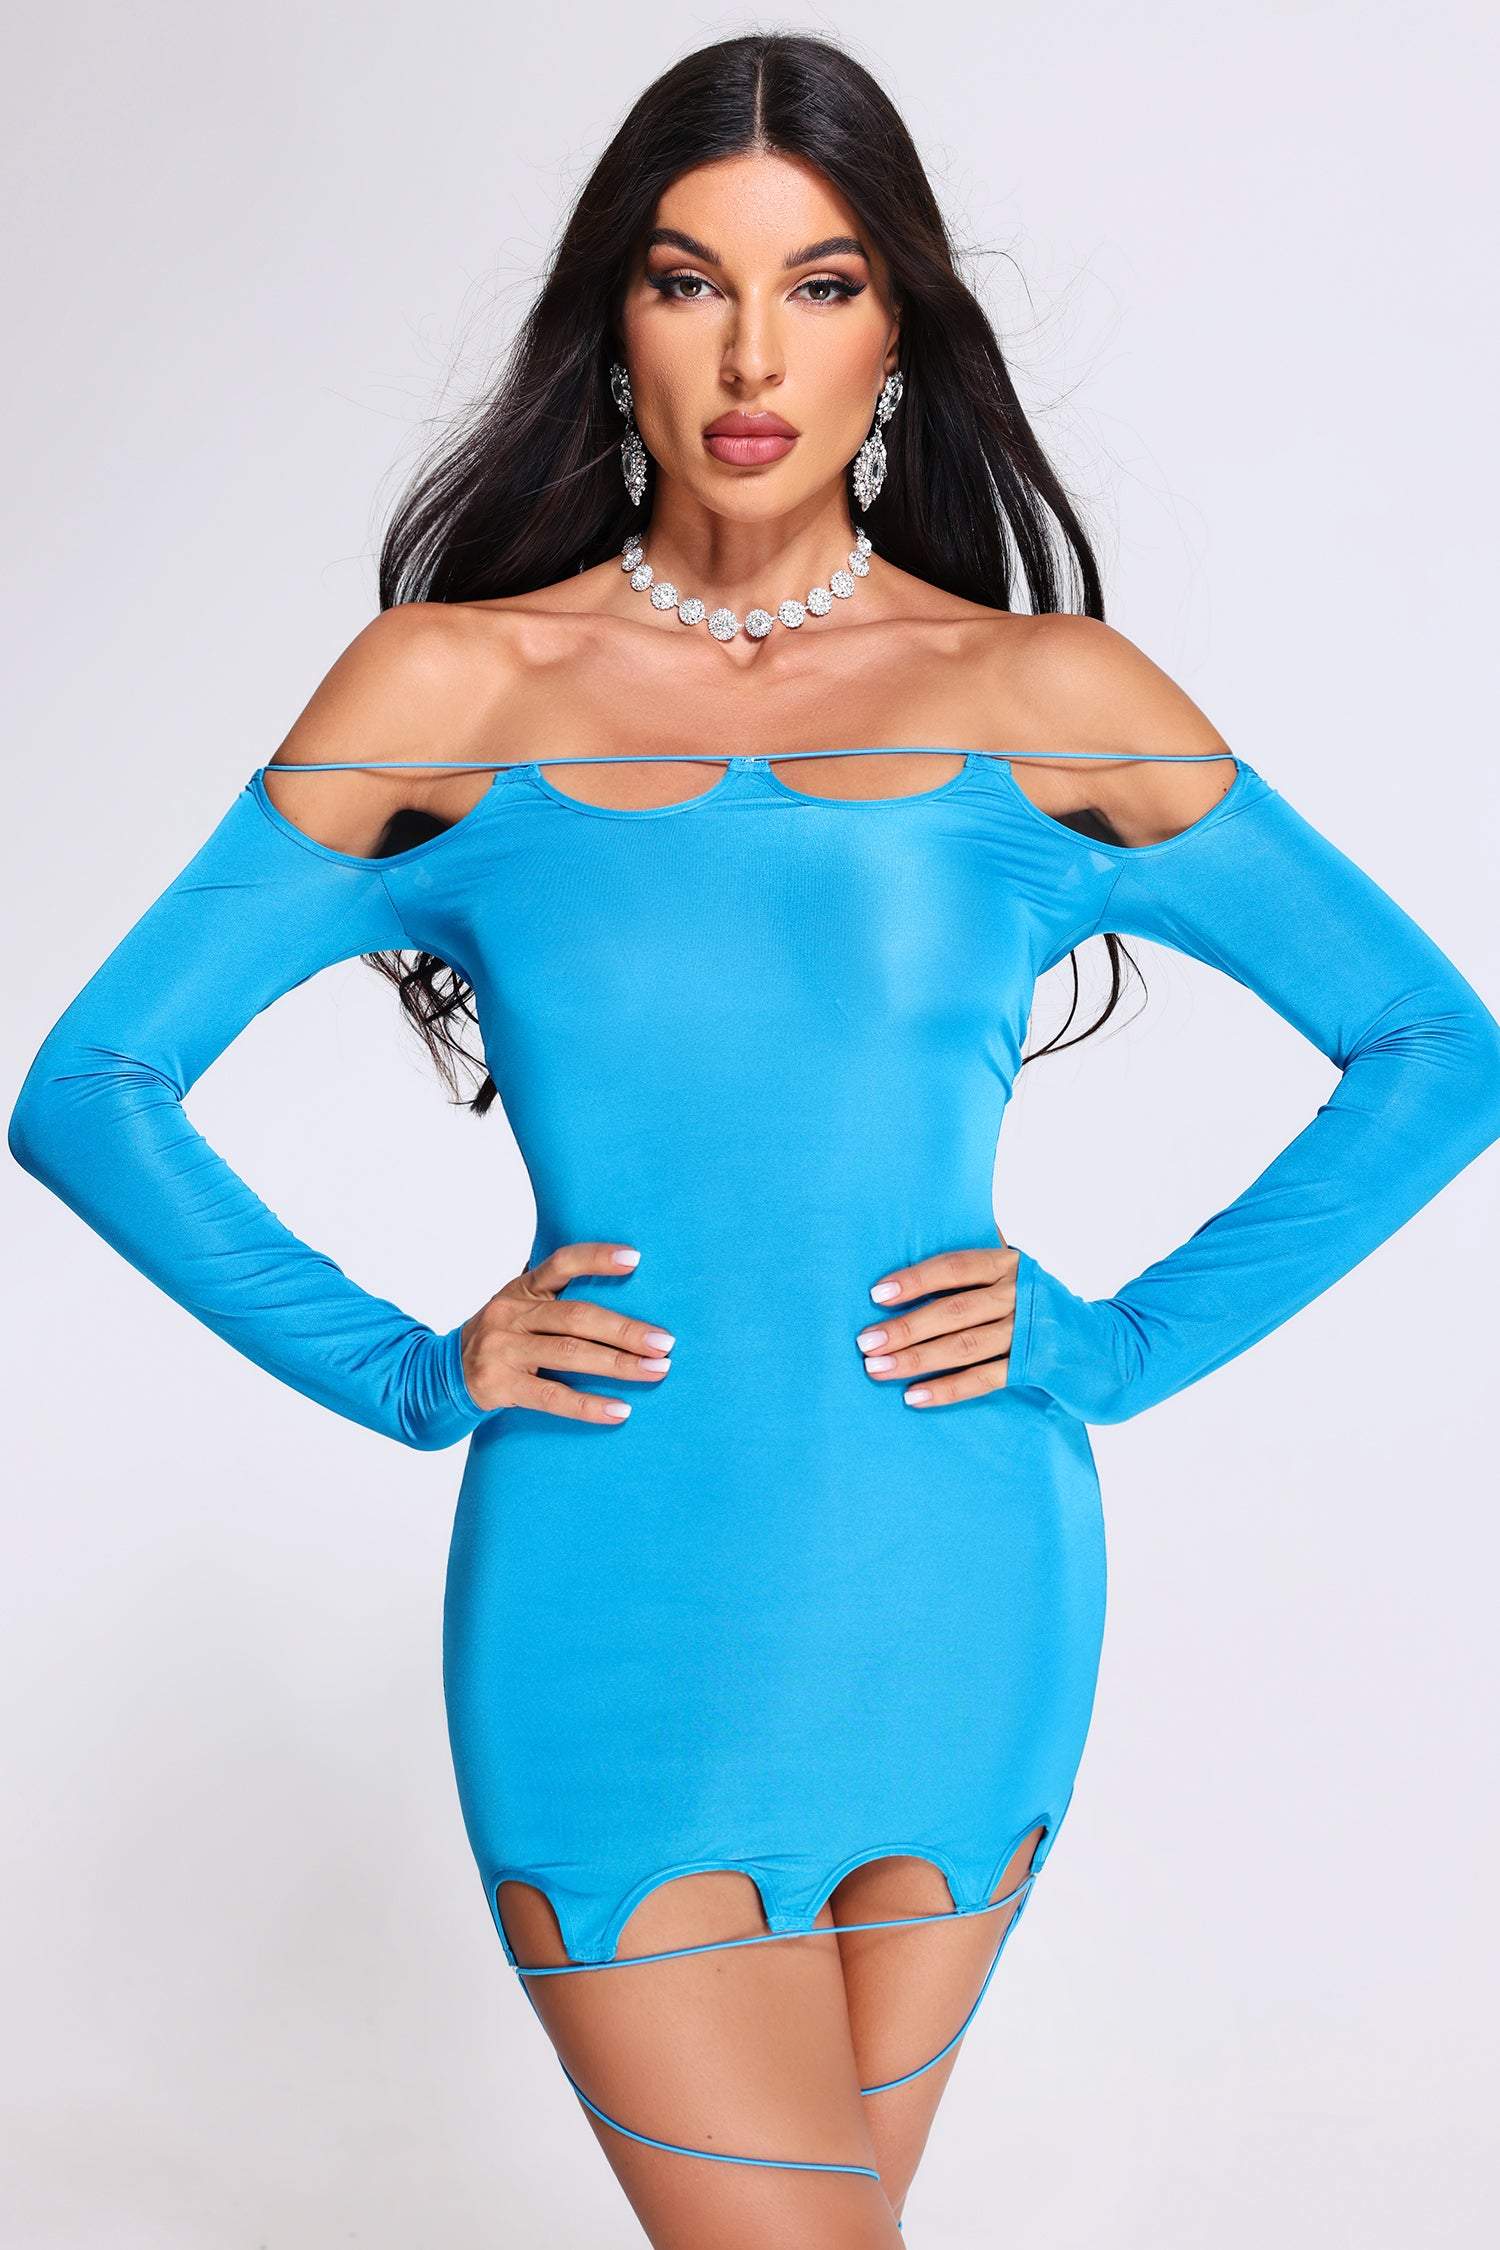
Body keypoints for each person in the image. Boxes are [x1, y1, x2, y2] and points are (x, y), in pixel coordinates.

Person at [10, 31, 1500, 2250]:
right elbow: (90, 1089)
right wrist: (406, 1371)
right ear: (612, 319)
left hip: (963, 1564)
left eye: (820, 286)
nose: (749, 356)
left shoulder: (1044, 696)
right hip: (609, 1582)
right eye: (689, 279)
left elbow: (1434, 1045)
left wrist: (1120, 1345)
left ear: (899, 329)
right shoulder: (448, 690)